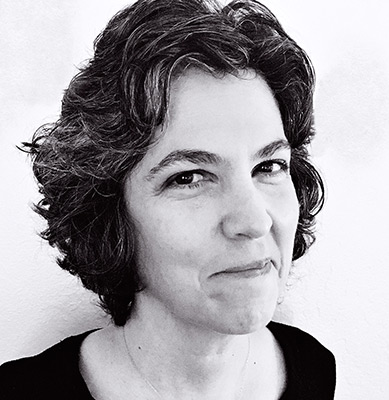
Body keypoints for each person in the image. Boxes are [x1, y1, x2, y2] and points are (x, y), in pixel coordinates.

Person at [0, 0, 335, 398]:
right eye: (188, 178)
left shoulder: (313, 367)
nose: (255, 221)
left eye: (269, 166)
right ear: (111, 215)